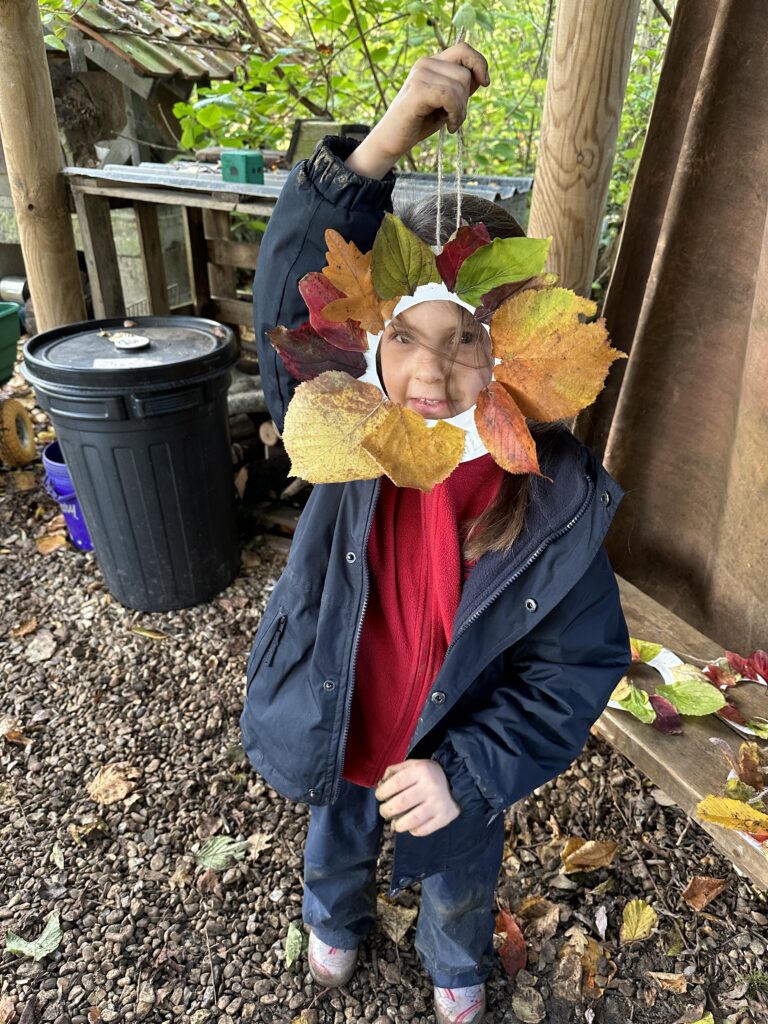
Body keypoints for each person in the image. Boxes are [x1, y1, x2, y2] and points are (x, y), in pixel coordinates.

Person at [241, 41, 631, 1024]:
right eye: (407, 333)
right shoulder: (350, 426)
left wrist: (464, 771)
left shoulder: (553, 504)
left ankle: (455, 958)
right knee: (335, 830)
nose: (430, 369)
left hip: (452, 749)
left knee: (460, 866)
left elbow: (576, 667)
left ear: (516, 355)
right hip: (344, 709)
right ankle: (335, 913)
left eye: (467, 341)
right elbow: (293, 289)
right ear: (374, 337)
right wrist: (378, 147)